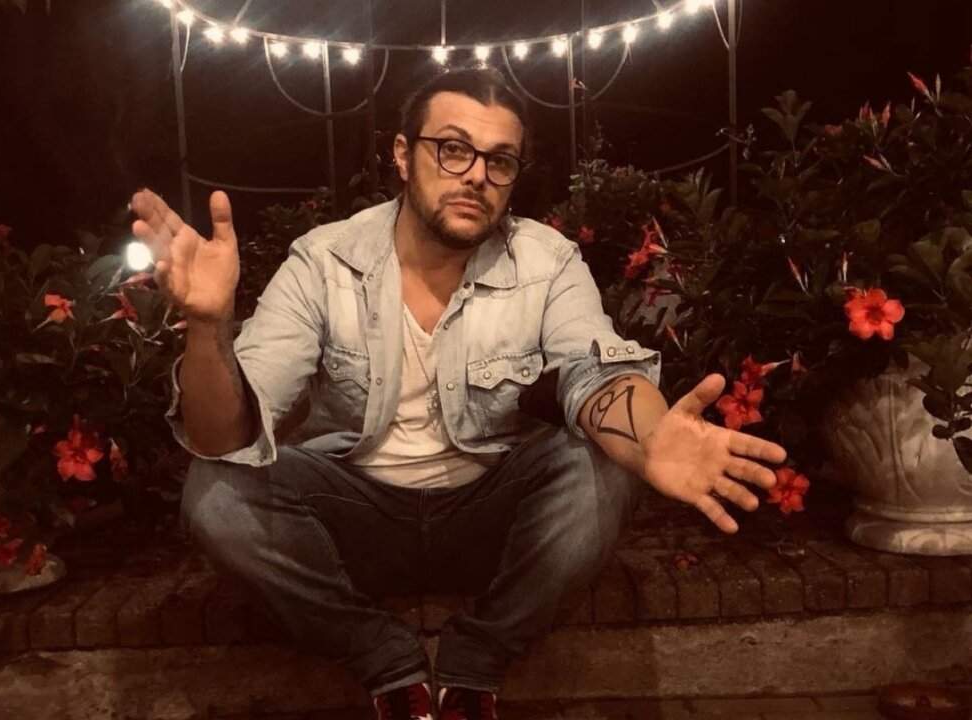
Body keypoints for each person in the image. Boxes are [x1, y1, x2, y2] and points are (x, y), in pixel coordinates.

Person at [130, 67, 786, 720]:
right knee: (216, 490)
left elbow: (594, 368)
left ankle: (478, 659)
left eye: (499, 160)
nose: (476, 174)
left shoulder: (545, 261)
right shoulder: (325, 261)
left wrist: (650, 438)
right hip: (356, 516)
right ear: (402, 154)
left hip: (488, 515)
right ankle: (382, 657)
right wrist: (209, 329)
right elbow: (223, 436)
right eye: (452, 149)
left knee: (602, 464)